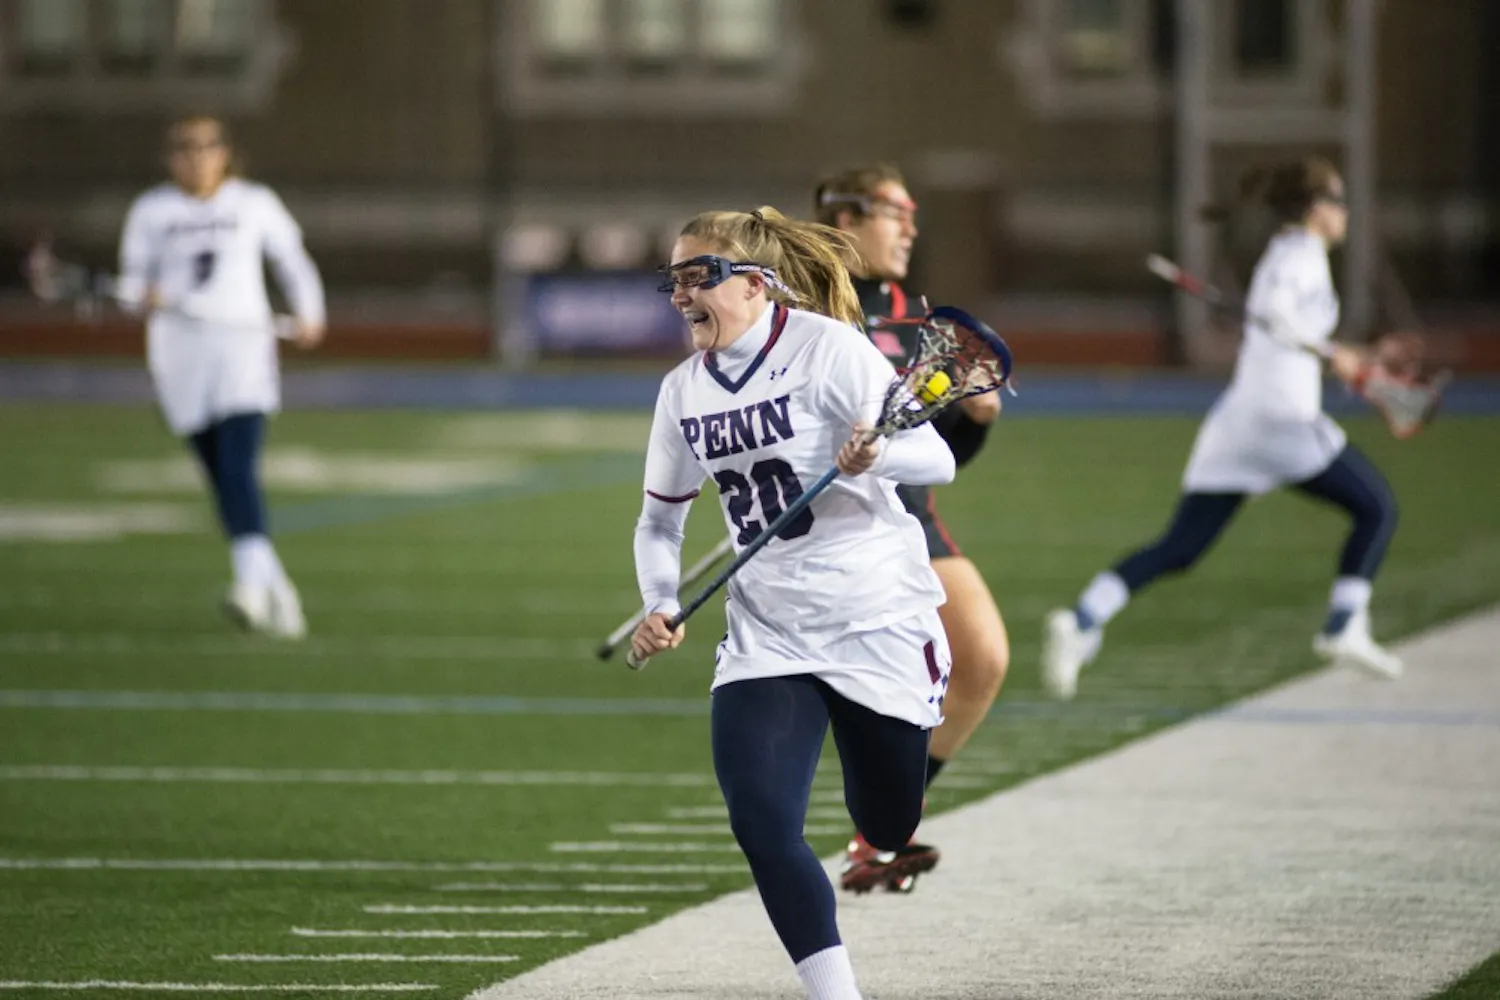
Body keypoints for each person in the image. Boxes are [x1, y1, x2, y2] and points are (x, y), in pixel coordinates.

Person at [631, 206, 956, 1000]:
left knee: (886, 823)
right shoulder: (681, 393)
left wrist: (877, 452)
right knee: (762, 822)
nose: (681, 296)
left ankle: (882, 808)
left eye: (696, 276)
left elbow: (937, 457)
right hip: (768, 631)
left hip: (875, 615)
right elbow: (658, 520)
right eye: (672, 279)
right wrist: (659, 601)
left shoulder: (828, 348)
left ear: (754, 281)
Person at [1042, 156, 1403, 700]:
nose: (1346, 212)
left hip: (1240, 422)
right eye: (1339, 201)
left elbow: (1287, 323)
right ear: (1315, 209)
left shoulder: (1290, 254)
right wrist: (1334, 352)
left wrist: (1353, 356)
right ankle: (1343, 626)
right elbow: (1281, 314)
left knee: (1181, 547)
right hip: (1282, 419)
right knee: (1377, 508)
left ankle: (1083, 619)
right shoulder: (1300, 256)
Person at [814, 164, 1009, 891]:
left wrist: (975, 421)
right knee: (849, 686)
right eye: (897, 213)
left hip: (906, 516)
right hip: (827, 524)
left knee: (981, 660)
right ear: (845, 218)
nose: (911, 228)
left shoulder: (919, 322)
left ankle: (879, 834)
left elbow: (937, 458)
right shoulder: (803, 312)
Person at [116, 115, 326, 638]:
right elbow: (129, 287)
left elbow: (292, 260)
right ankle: (278, 590)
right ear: (171, 157)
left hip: (242, 349)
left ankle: (250, 593)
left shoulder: (254, 204)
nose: (196, 156)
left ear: (226, 153)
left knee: (237, 467)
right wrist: (142, 296)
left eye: (207, 146)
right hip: (180, 356)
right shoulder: (152, 211)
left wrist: (310, 311)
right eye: (185, 147)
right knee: (221, 480)